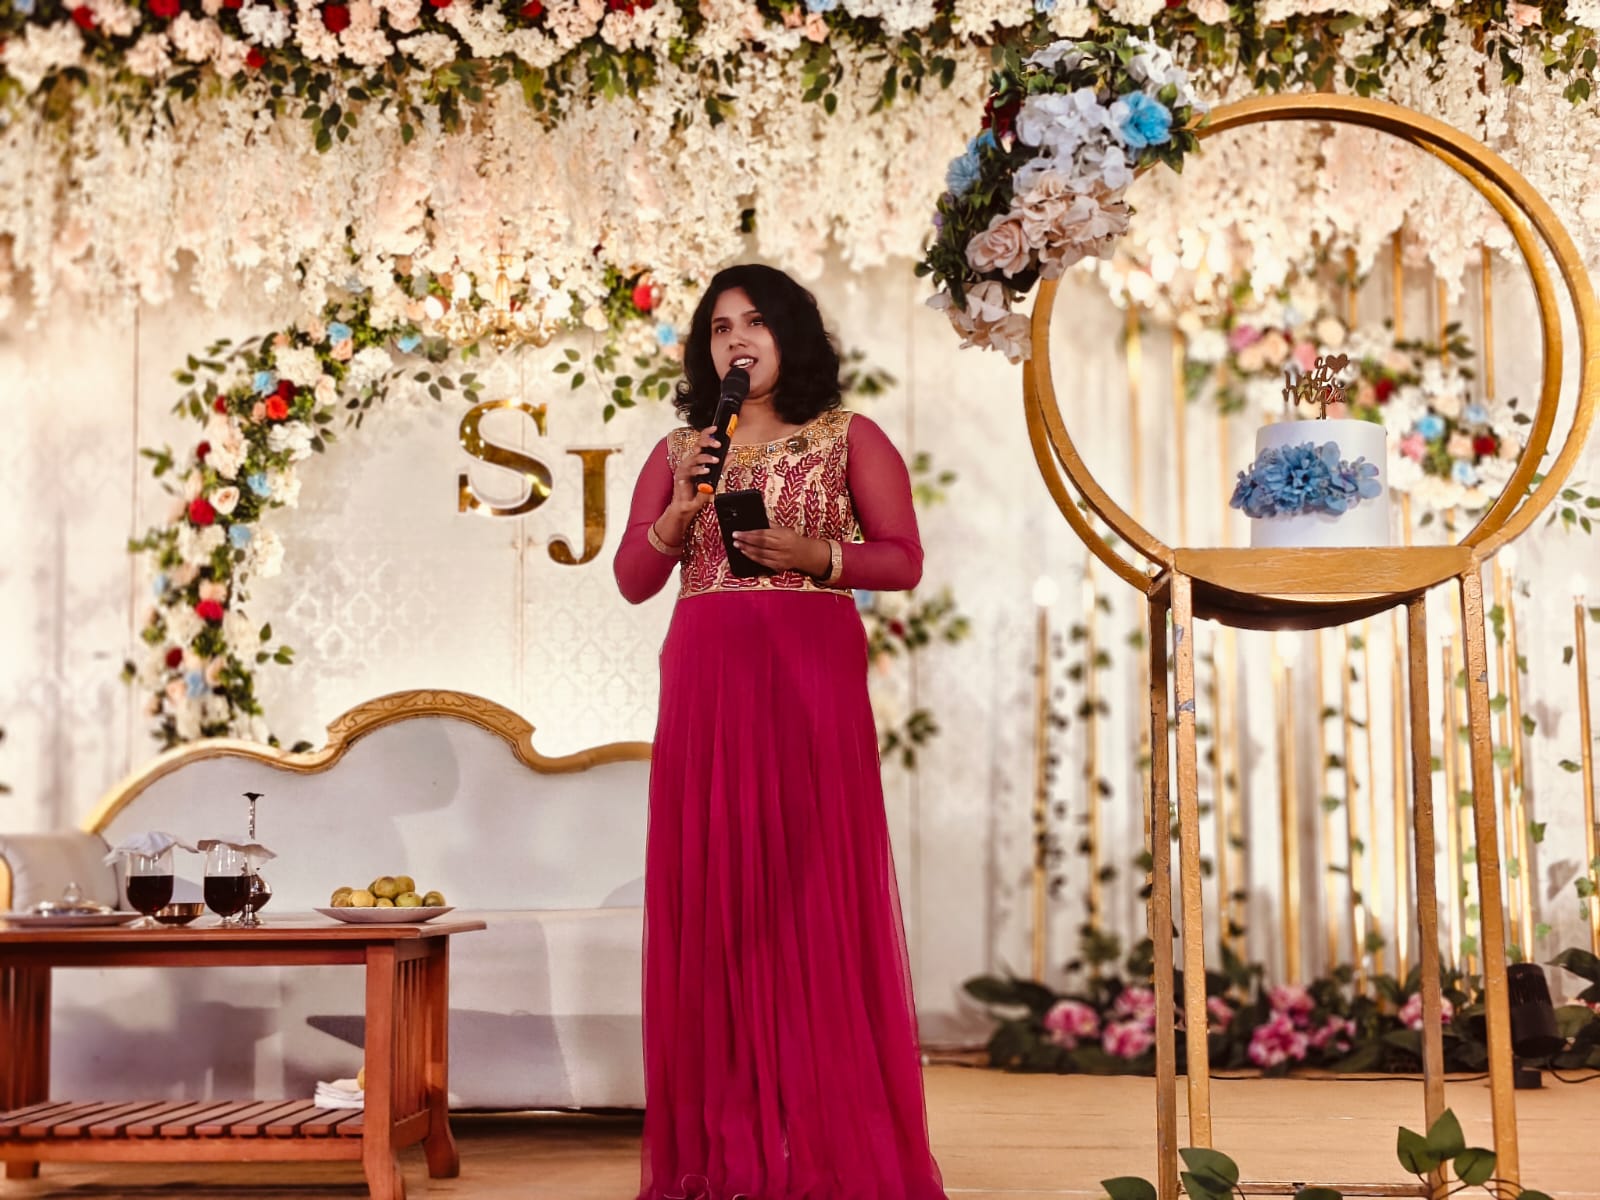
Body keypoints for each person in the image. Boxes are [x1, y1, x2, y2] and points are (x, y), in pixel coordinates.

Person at [613, 263, 948, 1200]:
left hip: (808, 679)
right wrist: (676, 516)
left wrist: (819, 555)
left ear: (791, 334)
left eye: (754, 321)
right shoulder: (680, 450)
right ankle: (726, 1151)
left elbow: (904, 560)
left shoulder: (848, 437)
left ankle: (828, 1147)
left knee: (809, 898)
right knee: (719, 904)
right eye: (720, 327)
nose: (736, 340)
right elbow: (633, 580)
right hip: (707, 682)